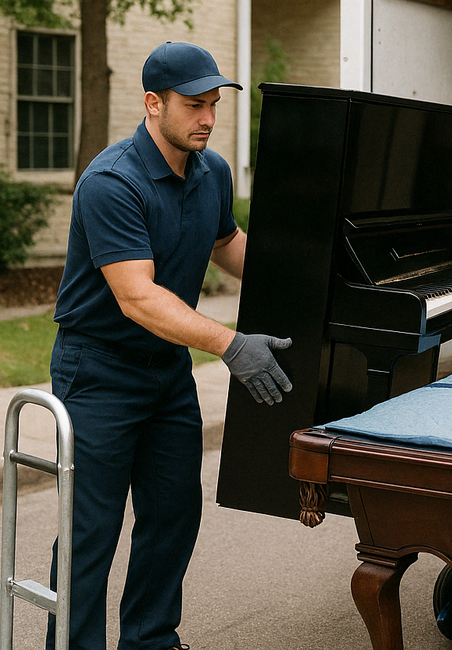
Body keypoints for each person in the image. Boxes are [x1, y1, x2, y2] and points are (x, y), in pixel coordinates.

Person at [46, 41, 294, 650]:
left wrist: (301, 282)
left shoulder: (212, 170)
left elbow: (227, 243)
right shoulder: (111, 182)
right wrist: (231, 344)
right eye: (194, 105)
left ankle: (152, 641)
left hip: (166, 371)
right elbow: (138, 297)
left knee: (172, 516)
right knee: (90, 531)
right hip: (98, 372)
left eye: (213, 104)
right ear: (153, 104)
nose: (207, 118)